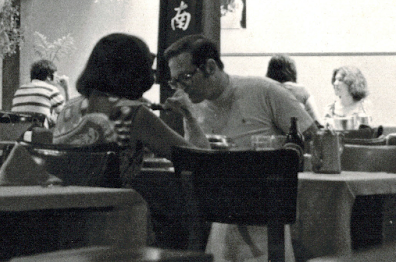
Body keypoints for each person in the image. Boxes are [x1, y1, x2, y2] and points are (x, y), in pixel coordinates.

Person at [53, 33, 172, 185]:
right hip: (113, 205)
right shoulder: (132, 113)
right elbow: (195, 158)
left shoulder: (67, 109)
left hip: (66, 203)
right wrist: (188, 114)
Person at [160, 35, 317, 149]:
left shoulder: (265, 90)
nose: (181, 87)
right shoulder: (192, 103)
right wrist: (188, 117)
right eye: (175, 82)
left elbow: (313, 138)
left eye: (186, 77)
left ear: (210, 67)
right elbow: (196, 160)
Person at [265, 55, 321, 126]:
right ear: (292, 71)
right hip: (296, 134)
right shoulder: (301, 91)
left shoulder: (266, 91)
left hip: (270, 135)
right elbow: (317, 121)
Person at [10, 60, 68, 124]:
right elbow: (67, 115)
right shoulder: (51, 90)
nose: (57, 79)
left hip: (20, 130)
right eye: (56, 76)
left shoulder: (19, 90)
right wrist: (66, 89)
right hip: (39, 131)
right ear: (49, 77)